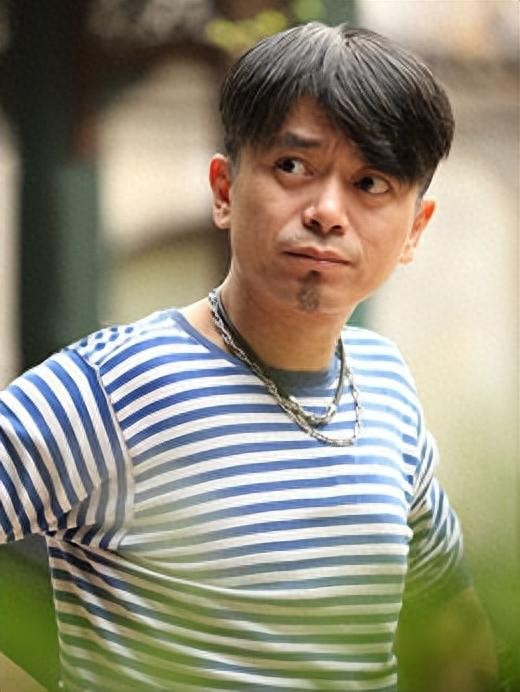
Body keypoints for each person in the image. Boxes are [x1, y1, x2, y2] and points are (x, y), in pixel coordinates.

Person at [0, 22, 498, 692]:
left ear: (415, 228)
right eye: (292, 167)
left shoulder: (386, 385)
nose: (327, 211)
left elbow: (450, 624)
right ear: (225, 189)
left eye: (370, 181)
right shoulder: (116, 385)